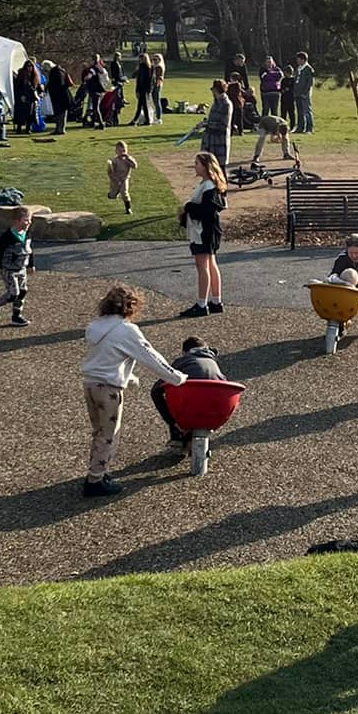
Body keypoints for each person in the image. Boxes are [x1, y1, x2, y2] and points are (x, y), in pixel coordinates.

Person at [78, 285, 191, 497]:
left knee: (99, 432)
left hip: (91, 384)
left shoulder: (95, 327)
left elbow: (106, 356)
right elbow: (151, 357)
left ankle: (99, 471)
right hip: (109, 389)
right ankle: (95, 480)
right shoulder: (126, 330)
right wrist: (177, 378)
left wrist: (128, 376)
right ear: (130, 307)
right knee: (109, 435)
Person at [150, 336, 228, 450]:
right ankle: (190, 437)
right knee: (201, 398)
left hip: (188, 403)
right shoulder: (212, 362)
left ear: (184, 352)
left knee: (159, 393)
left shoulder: (184, 361)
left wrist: (171, 420)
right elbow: (224, 381)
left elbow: (160, 385)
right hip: (213, 406)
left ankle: (176, 432)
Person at [179, 152, 227, 317]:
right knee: (211, 264)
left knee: (203, 266)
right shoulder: (210, 185)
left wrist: (189, 207)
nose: (195, 166)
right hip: (208, 230)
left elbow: (206, 212)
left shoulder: (208, 187)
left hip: (204, 231)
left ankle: (202, 303)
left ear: (206, 167)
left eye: (197, 163)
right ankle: (216, 301)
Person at [0, 207, 33, 326]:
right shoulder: (7, 237)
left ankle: (16, 316)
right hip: (9, 269)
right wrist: (0, 265)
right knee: (14, 293)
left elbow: (29, 250)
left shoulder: (27, 234)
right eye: (26, 220)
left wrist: (31, 264)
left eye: (30, 220)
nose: (29, 223)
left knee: (23, 291)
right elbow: (0, 252)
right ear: (17, 221)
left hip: (21, 268)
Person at [201, 79, 233, 172]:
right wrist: (205, 123)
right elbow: (213, 118)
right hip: (210, 138)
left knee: (220, 167)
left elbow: (223, 124)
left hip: (219, 139)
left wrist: (207, 125)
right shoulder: (216, 102)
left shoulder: (226, 104)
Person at [107, 141, 137, 216]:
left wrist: (129, 159)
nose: (122, 152)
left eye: (124, 150)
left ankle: (128, 209)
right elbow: (110, 172)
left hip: (124, 179)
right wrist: (114, 179)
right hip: (116, 180)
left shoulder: (128, 159)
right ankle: (112, 194)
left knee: (124, 193)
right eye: (120, 151)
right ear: (116, 151)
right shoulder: (114, 160)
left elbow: (135, 166)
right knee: (112, 195)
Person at [290, 50, 316, 134]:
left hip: (304, 94)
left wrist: (305, 93)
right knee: (300, 111)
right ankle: (300, 128)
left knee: (307, 111)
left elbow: (310, 82)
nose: (297, 61)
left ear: (303, 60)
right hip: (297, 93)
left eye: (298, 59)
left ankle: (309, 128)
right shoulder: (298, 68)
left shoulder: (308, 69)